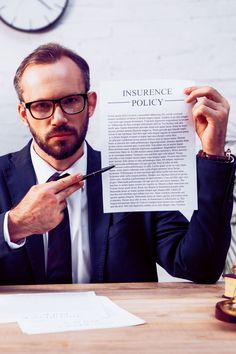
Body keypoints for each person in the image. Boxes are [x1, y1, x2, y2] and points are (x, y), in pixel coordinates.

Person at [0, 43, 235, 285]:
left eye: (70, 101)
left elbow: (200, 267)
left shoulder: (134, 175)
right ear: (22, 113)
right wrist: (15, 225)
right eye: (42, 106)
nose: (58, 119)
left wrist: (213, 153)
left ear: (90, 104)